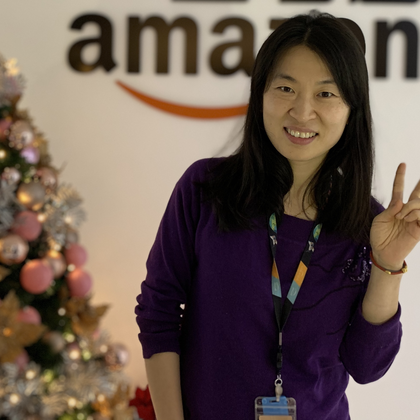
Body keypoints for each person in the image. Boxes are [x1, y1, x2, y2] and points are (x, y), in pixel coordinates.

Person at [135, 12, 420, 420]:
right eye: (285, 88)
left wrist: (386, 264)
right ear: (261, 94)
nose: (302, 112)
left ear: (351, 108)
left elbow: (367, 367)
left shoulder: (369, 226)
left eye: (326, 93)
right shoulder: (206, 190)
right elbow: (158, 312)